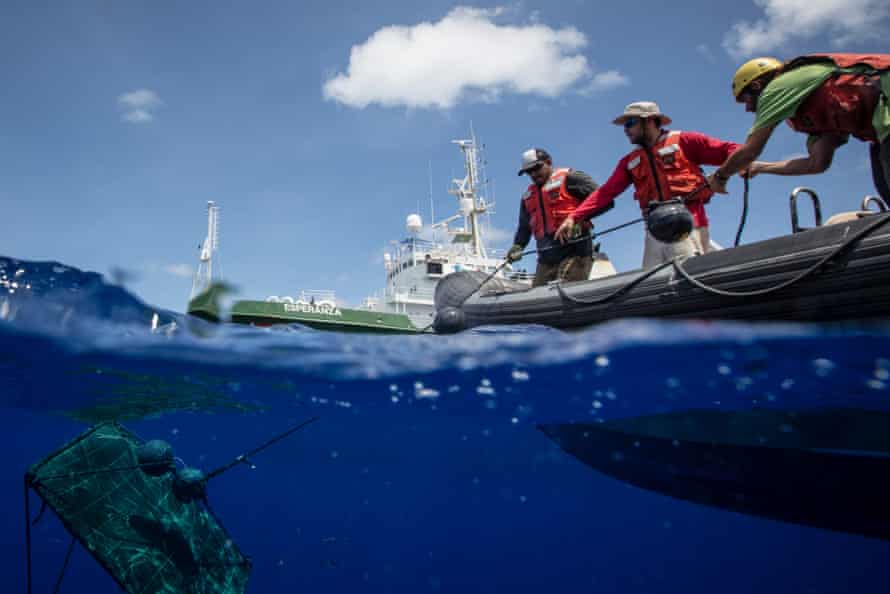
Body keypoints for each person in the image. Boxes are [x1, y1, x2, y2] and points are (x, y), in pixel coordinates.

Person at [554, 102, 740, 268]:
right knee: (652, 280)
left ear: (649, 121)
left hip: (687, 225)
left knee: (687, 275)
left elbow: (731, 150)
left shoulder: (685, 141)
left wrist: (727, 173)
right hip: (654, 230)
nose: (625, 130)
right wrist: (574, 217)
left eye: (630, 123)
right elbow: (607, 192)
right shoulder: (630, 161)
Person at [706, 54, 890, 201]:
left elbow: (750, 151)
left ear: (756, 85)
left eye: (745, 99)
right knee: (885, 186)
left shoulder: (778, 87)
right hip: (882, 130)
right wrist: (760, 168)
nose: (748, 108)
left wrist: (720, 176)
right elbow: (817, 163)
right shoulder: (808, 112)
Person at [507, 148, 607, 287]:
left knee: (567, 294)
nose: (534, 174)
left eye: (537, 168)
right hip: (545, 260)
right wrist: (518, 245)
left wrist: (578, 220)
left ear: (548, 162)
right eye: (529, 172)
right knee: (538, 300)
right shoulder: (527, 197)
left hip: (575, 253)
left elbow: (604, 199)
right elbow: (524, 227)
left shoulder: (571, 178)